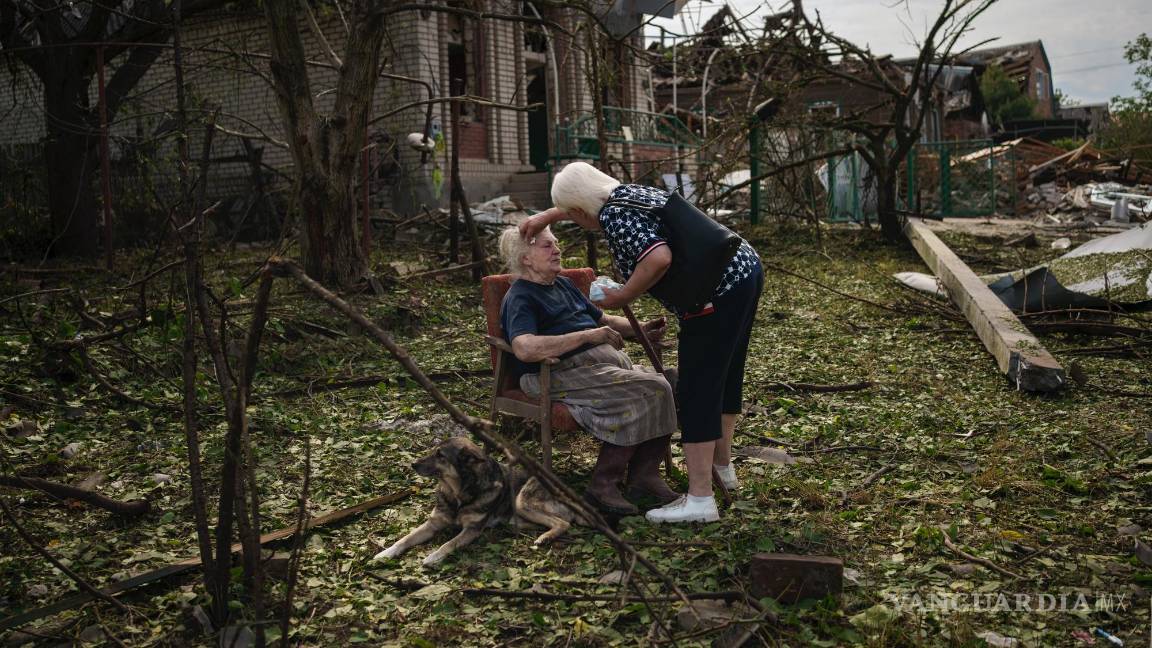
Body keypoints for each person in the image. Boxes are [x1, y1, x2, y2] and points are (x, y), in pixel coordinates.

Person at [519, 162, 763, 524]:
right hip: (742, 271)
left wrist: (623, 295)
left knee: (697, 389)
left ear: (579, 210)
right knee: (724, 379)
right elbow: (585, 201)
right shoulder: (630, 194)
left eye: (571, 218)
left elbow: (658, 258)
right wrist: (549, 214)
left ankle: (700, 499)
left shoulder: (615, 218)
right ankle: (721, 469)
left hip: (713, 294)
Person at [496, 225, 680, 516]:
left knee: (672, 379)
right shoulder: (521, 296)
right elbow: (525, 347)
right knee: (651, 388)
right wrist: (587, 337)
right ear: (525, 258)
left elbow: (601, 318)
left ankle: (644, 477)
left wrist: (640, 329)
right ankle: (603, 485)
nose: (557, 249)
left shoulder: (564, 284)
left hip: (600, 368)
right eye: (547, 246)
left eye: (556, 243)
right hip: (553, 375)